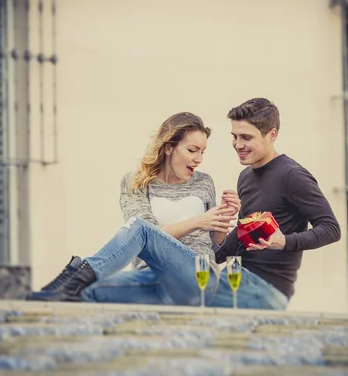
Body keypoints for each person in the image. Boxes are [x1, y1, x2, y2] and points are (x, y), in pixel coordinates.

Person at [25, 112, 239, 305]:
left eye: (202, 152)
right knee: (89, 291)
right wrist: (198, 221)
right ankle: (71, 286)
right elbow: (147, 235)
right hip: (150, 280)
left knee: (140, 227)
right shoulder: (135, 182)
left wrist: (224, 215)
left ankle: (75, 276)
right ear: (168, 148)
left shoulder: (204, 182)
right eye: (192, 150)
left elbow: (215, 244)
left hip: (196, 279)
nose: (199, 159)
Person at [209, 98, 342, 309]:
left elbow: (331, 229)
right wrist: (206, 258)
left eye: (246, 137)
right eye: (234, 136)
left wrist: (285, 242)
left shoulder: (292, 175)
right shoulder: (246, 176)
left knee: (187, 301)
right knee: (181, 287)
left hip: (266, 287)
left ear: (272, 135)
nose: (238, 144)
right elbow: (243, 233)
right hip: (238, 276)